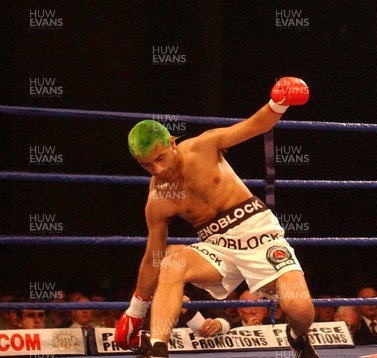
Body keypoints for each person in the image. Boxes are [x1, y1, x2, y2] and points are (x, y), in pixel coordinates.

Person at [115, 77, 318, 358]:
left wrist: (279, 102)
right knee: (172, 260)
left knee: (301, 309)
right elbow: (153, 257)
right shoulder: (157, 200)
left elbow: (255, 125)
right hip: (216, 247)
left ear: (172, 143)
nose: (157, 170)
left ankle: (296, 336)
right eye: (146, 165)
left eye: (160, 158)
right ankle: (158, 348)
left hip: (258, 231)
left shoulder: (204, 147)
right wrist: (135, 312)